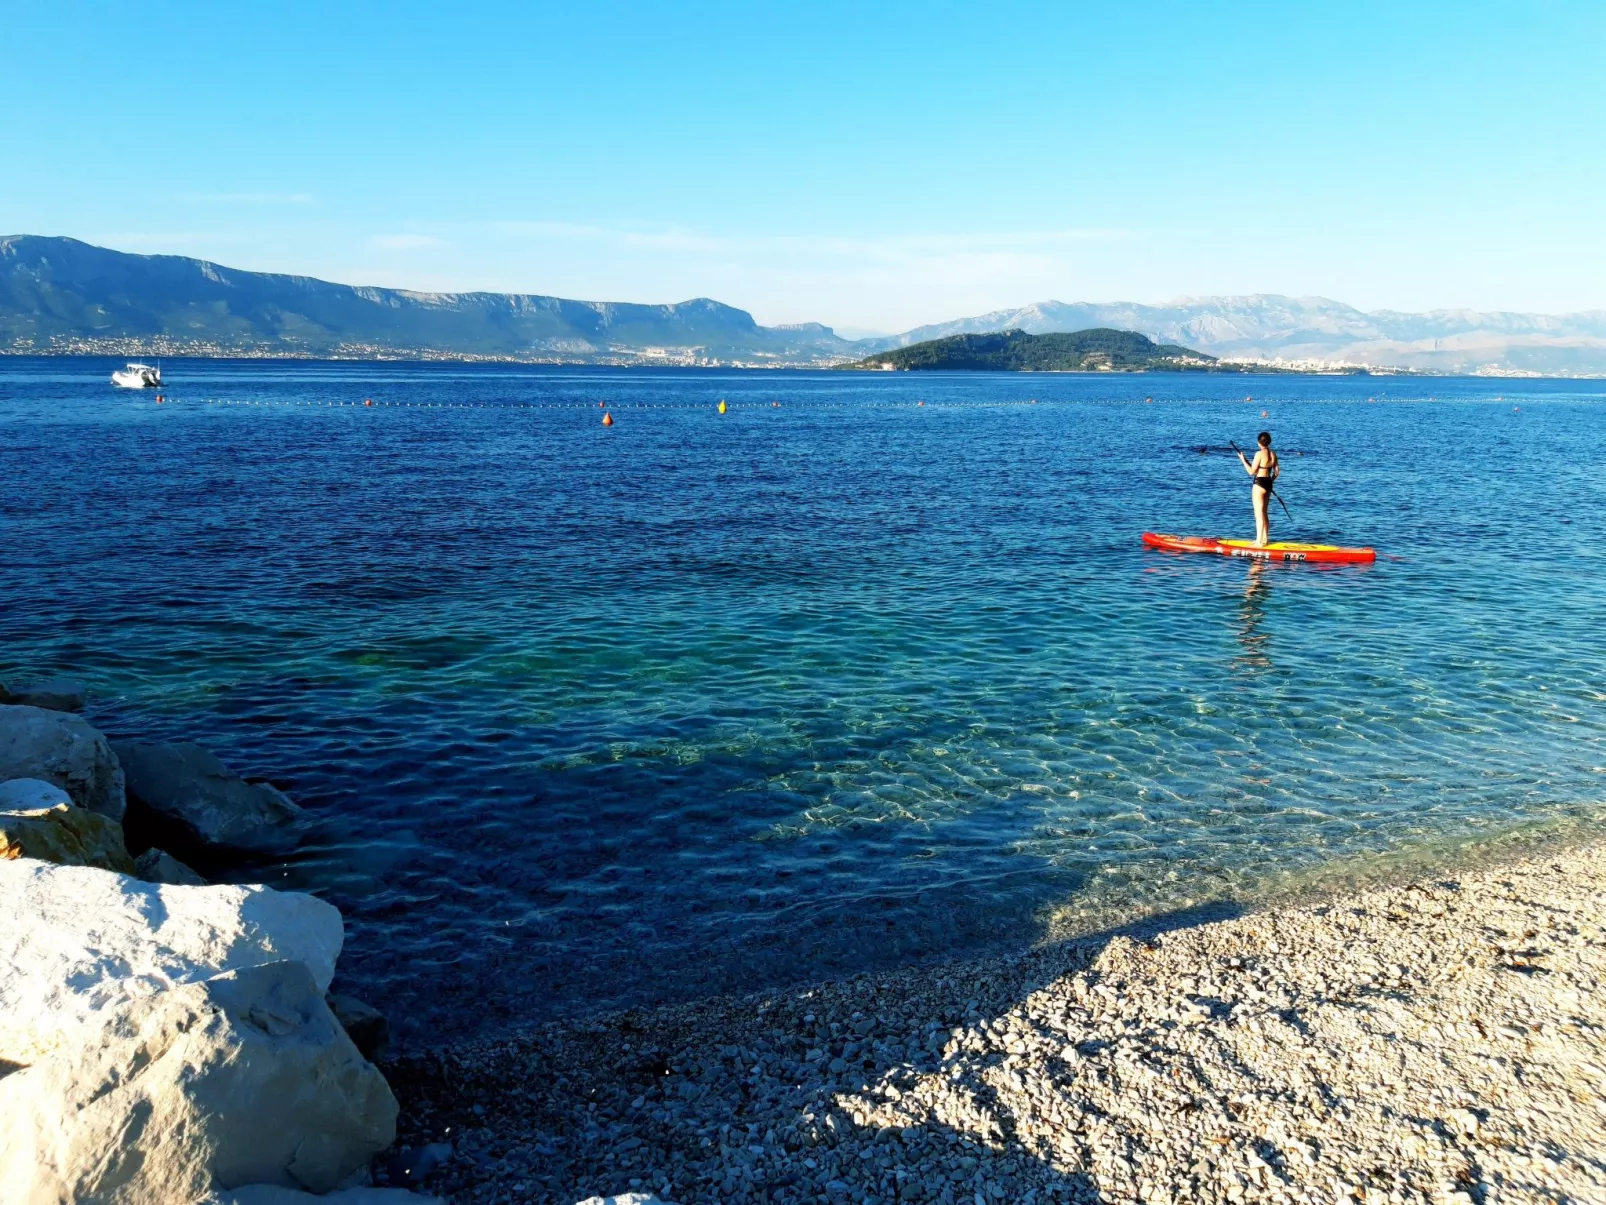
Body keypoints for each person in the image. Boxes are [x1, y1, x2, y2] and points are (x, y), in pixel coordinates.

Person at [1236, 431, 1279, 546]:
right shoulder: (1273, 454)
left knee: (1258, 514)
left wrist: (1243, 460)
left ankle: (1259, 541)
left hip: (1259, 484)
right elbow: (1277, 472)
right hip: (1268, 484)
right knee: (1265, 512)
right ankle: (1265, 539)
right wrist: (1271, 480)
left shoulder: (1258, 454)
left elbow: (1251, 472)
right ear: (1269, 442)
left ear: (1259, 442)